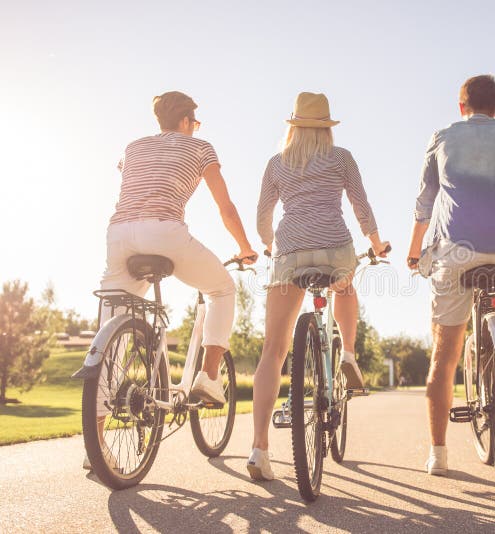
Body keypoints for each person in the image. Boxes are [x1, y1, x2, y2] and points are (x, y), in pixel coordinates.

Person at [88, 91, 257, 468]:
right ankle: (209, 377)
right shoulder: (200, 148)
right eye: (194, 124)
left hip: (118, 234)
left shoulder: (134, 146)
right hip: (163, 231)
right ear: (185, 122)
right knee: (222, 288)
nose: (196, 130)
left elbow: (127, 172)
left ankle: (94, 447)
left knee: (108, 343)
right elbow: (224, 206)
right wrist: (244, 245)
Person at [250, 92, 389, 481]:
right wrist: (376, 242)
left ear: (292, 127)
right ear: (326, 128)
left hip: (290, 250)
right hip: (335, 247)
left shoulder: (277, 163)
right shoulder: (341, 157)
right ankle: (347, 353)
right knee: (345, 285)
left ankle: (259, 448)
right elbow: (361, 206)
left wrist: (266, 244)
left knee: (273, 350)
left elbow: (264, 215)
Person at [407, 75, 495, 476]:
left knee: (445, 353)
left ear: (461, 106)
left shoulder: (444, 136)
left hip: (456, 251)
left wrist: (415, 252)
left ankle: (438, 454)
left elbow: (424, 202)